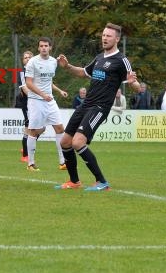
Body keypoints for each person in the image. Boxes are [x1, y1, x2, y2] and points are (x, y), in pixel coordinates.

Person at [56, 22, 141, 191]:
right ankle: (74, 182)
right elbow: (83, 73)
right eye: (103, 35)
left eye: (108, 36)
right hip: (86, 104)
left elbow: (136, 86)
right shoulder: (99, 58)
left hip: (100, 107)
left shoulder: (122, 60)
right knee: (65, 142)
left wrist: (132, 83)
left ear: (116, 39)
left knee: (78, 142)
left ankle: (102, 182)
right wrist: (67, 66)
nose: (104, 38)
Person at [24, 37, 69, 172]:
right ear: (38, 48)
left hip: (50, 101)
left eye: (46, 46)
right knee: (34, 131)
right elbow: (29, 83)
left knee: (60, 128)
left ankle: (63, 162)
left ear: (50, 47)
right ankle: (30, 163)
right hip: (36, 101)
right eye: (41, 46)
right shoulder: (32, 62)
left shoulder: (53, 62)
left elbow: (48, 81)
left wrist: (59, 91)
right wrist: (42, 95)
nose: (44, 48)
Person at [15, 50, 33, 163]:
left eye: (29, 57)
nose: (27, 59)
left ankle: (26, 146)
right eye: (25, 58)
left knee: (40, 128)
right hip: (27, 103)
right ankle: (25, 155)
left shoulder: (36, 71)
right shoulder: (22, 72)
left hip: (36, 102)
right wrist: (36, 97)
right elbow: (24, 89)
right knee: (29, 127)